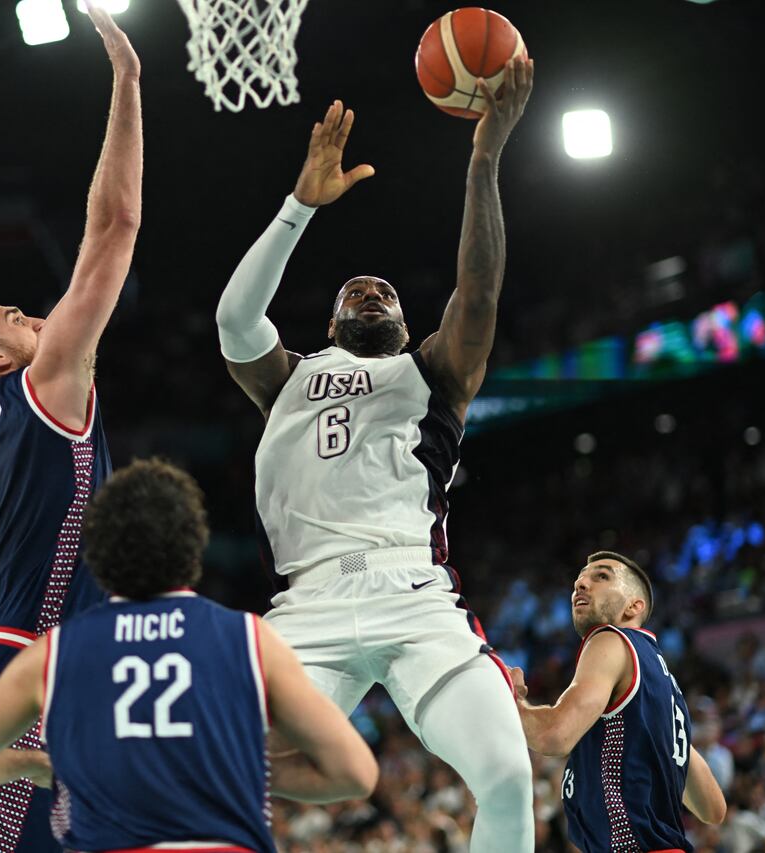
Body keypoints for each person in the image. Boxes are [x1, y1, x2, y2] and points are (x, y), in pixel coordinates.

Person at [214, 55, 536, 853]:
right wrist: (298, 206)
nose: (371, 293)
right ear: (330, 327)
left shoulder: (433, 370)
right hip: (306, 606)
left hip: (414, 594)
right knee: (207, 761)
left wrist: (485, 158)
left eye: (386, 292)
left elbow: (482, 290)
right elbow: (233, 318)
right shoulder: (286, 377)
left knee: (504, 774)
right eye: (354, 291)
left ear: (405, 319)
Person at [0, 6, 143, 852]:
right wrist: (126, 81)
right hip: (22, 660)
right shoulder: (40, 386)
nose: (31, 313)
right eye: (11, 317)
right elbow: (113, 228)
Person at [0, 459, 378, 853]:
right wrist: (231, 765)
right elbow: (354, 774)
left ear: (95, 553)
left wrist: (30, 764)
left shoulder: (54, 655)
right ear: (195, 545)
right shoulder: (250, 638)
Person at [509, 552, 727, 853]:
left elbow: (554, 734)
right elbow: (713, 809)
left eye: (601, 576)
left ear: (633, 606)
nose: (581, 584)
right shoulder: (666, 691)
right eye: (579, 579)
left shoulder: (609, 639)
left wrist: (508, 701)